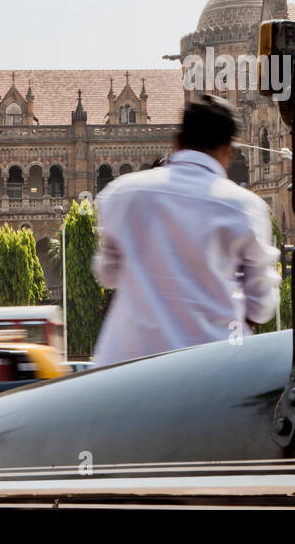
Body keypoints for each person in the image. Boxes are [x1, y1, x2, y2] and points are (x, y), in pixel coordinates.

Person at [93, 94, 280, 365]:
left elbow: (108, 274)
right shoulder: (245, 207)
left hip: (126, 372)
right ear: (229, 150)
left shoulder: (122, 193)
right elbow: (262, 304)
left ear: (178, 141)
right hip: (208, 371)